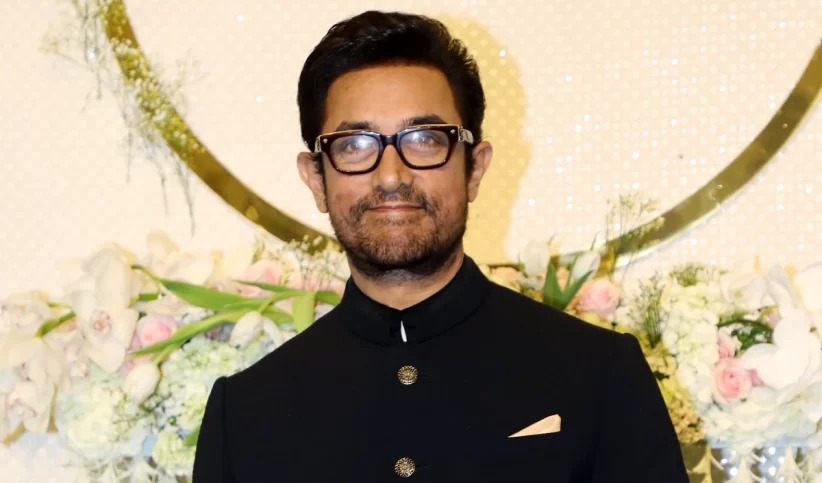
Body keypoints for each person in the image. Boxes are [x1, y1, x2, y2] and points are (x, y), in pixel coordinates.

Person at [193, 10, 688, 482]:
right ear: (316, 180)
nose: (391, 176)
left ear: (475, 168)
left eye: (424, 140)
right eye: (355, 146)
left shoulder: (599, 374)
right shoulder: (246, 413)